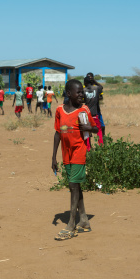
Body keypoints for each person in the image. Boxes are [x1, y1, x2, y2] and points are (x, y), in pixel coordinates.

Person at [51, 79, 98, 241]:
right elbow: (58, 133)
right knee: (75, 185)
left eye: (82, 92)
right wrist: (53, 157)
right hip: (66, 153)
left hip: (79, 151)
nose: (81, 95)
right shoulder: (59, 110)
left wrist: (89, 128)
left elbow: (95, 128)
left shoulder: (84, 110)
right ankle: (84, 220)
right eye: (78, 92)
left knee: (72, 185)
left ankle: (71, 223)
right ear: (69, 93)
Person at [83, 74, 104, 148]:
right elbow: (101, 87)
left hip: (86, 114)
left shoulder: (83, 90)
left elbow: (83, 100)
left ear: (85, 83)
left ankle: (88, 148)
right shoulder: (96, 88)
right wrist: (94, 81)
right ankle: (101, 145)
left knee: (87, 132)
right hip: (94, 114)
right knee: (99, 131)